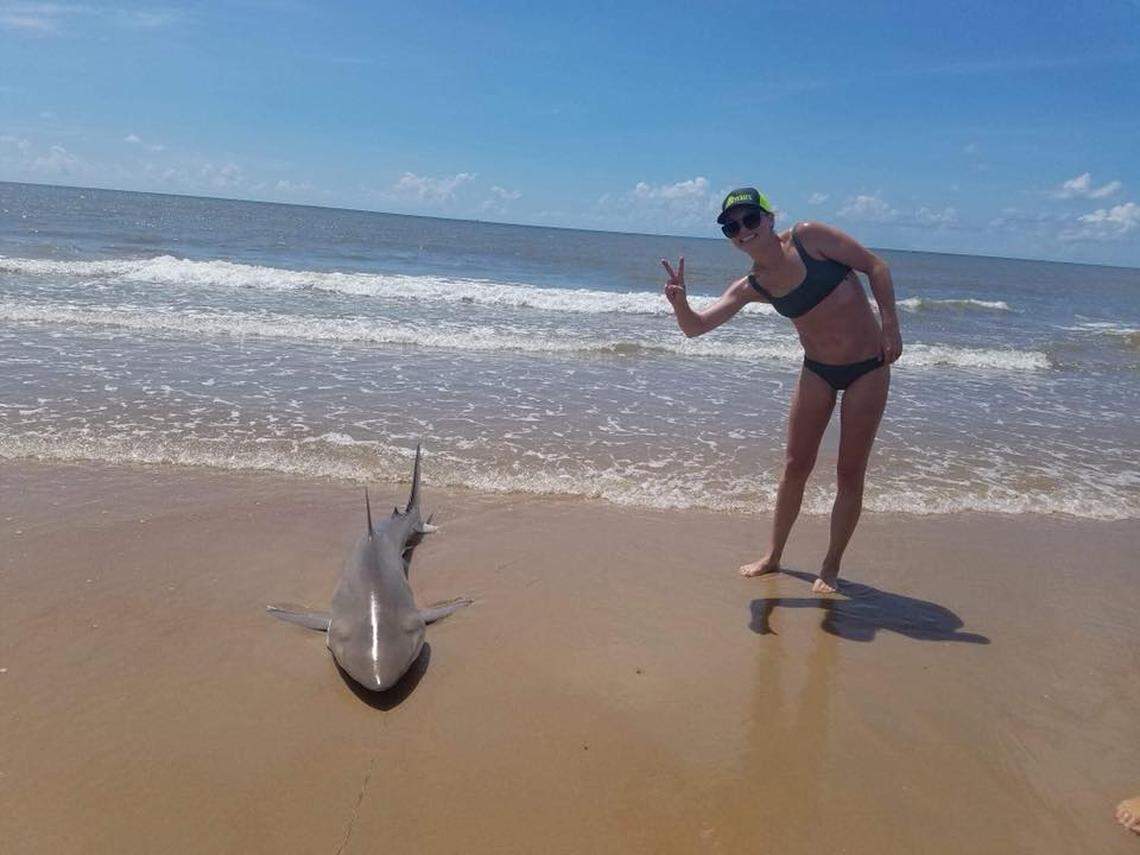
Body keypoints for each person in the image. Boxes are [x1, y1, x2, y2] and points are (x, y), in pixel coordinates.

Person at [662, 188, 902, 593]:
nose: (743, 230)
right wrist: (680, 304)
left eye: (750, 219)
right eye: (731, 226)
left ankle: (830, 566)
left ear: (769, 219)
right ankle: (774, 555)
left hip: (868, 368)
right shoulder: (753, 284)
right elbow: (696, 327)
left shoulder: (811, 239)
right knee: (795, 466)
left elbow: (875, 266)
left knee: (849, 471)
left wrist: (891, 325)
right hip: (818, 371)